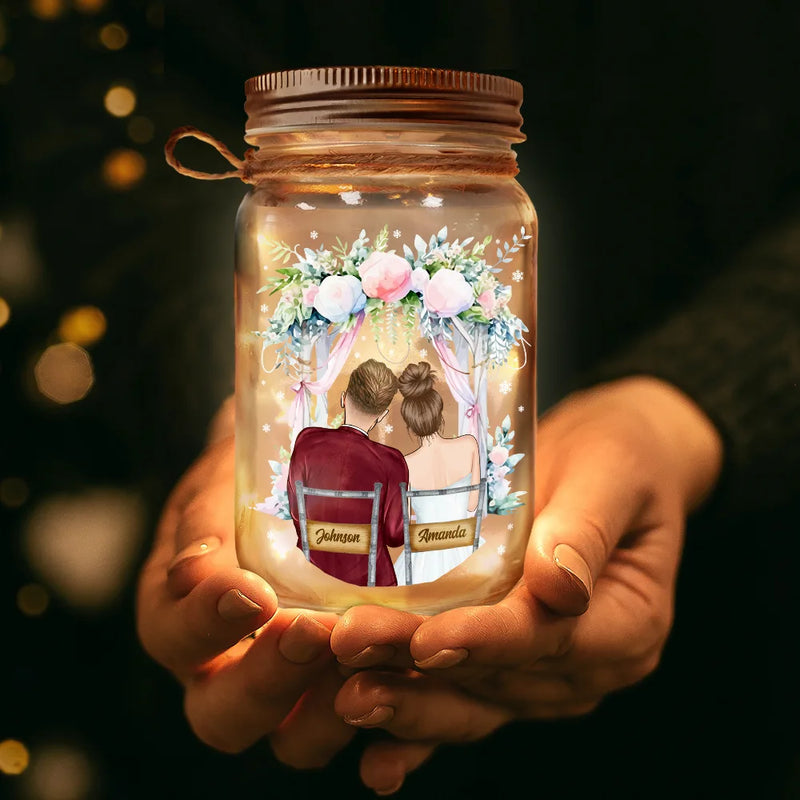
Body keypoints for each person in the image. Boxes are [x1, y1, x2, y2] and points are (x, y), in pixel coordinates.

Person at [287, 358, 409, 587]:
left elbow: (296, 510)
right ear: (382, 415)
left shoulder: (306, 441)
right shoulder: (392, 461)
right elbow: (395, 536)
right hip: (371, 585)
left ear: (344, 398)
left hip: (310, 577)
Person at [392, 362, 483, 586]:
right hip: (465, 549)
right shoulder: (469, 445)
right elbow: (472, 505)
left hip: (423, 560)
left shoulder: (405, 465)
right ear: (439, 413)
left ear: (410, 426)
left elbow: (405, 520)